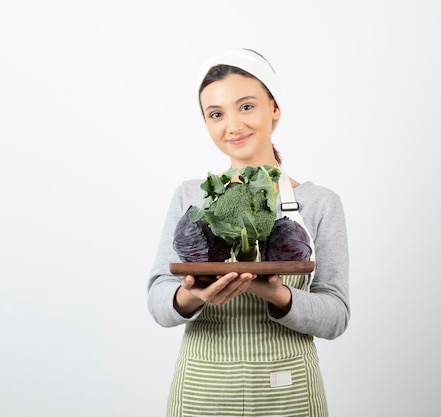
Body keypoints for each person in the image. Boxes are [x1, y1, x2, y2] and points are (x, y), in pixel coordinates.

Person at [147, 48, 350, 417]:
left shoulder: (319, 202)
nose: (233, 126)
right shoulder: (191, 196)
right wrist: (192, 294)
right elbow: (159, 301)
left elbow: (336, 315)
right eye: (216, 114)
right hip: (203, 391)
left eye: (246, 107)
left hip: (287, 390)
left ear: (274, 107)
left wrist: (278, 295)